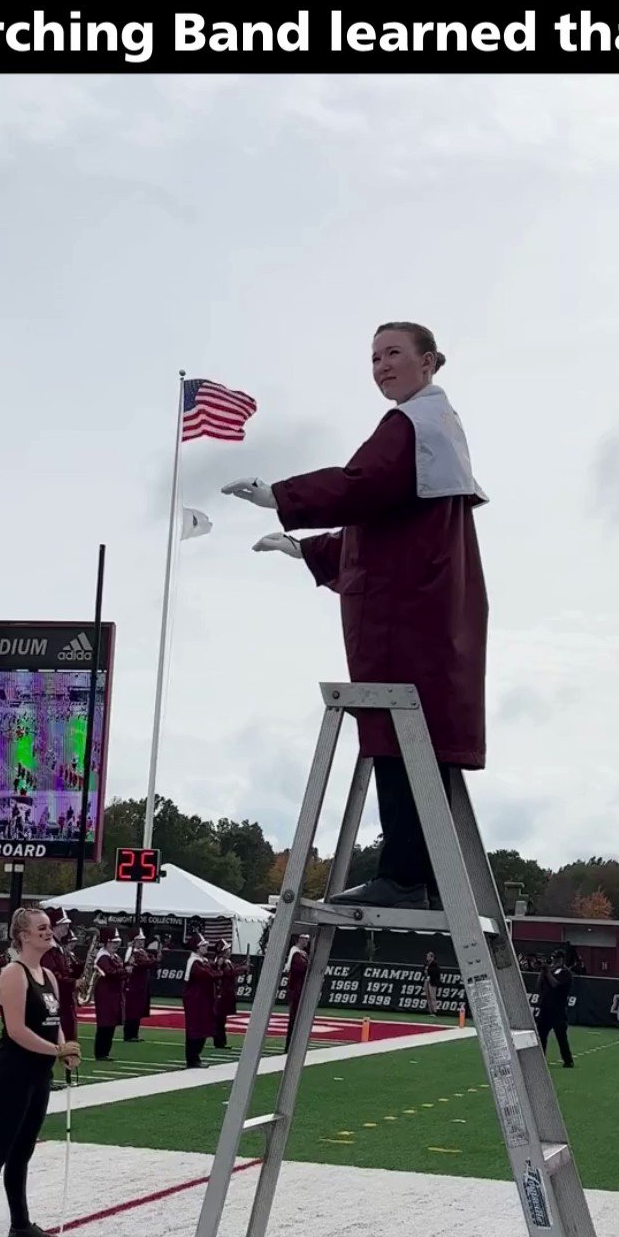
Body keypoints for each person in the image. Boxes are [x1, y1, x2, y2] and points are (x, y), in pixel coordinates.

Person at [222, 322, 487, 909]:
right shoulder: (437, 430)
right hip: (428, 604)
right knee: (421, 742)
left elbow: (360, 487)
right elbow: (390, 533)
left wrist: (281, 496)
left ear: (430, 361)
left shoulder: (410, 426)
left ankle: (403, 873)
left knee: (398, 732)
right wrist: (307, 550)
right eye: (374, 358)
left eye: (394, 353)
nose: (382, 366)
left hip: (405, 615)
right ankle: (427, 873)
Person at [0, 908, 80, 1237]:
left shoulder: (48, 974)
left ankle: (20, 1225)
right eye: (42, 928)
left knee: (23, 1150)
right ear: (23, 936)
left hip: (39, 1074)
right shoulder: (13, 974)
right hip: (12, 1075)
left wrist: (65, 1049)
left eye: (49, 927)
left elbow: (53, 1021)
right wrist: (56, 1048)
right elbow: (16, 1031)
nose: (49, 932)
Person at [43, 908, 83, 1045]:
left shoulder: (58, 947)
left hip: (64, 997)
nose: (67, 927)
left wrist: (83, 967)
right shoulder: (49, 948)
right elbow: (51, 975)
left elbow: (65, 970)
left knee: (68, 1033)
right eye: (63, 924)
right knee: (58, 1036)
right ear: (54, 926)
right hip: (55, 998)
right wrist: (73, 983)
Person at [182, 933, 218, 1069]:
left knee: (202, 1028)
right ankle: (192, 1058)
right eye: (203, 945)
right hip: (195, 1001)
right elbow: (206, 975)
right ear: (197, 948)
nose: (206, 947)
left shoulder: (203, 961)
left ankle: (196, 1056)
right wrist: (218, 972)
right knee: (195, 1029)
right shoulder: (195, 962)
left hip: (203, 1000)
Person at [535, 950, 574, 1067]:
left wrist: (547, 973)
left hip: (558, 1009)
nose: (554, 961)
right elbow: (538, 986)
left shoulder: (566, 973)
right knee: (541, 1035)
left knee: (561, 1036)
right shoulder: (550, 971)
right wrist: (543, 973)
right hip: (545, 1008)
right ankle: (540, 1059)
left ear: (562, 959)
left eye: (556, 959)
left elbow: (555, 984)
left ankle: (568, 1060)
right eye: (553, 959)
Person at [91, 927, 124, 1062]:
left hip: (113, 994)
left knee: (110, 1024)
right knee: (104, 1024)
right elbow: (110, 973)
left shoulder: (113, 957)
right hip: (105, 994)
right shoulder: (103, 957)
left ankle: (105, 1052)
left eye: (117, 942)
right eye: (113, 942)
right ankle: (100, 1053)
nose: (116, 945)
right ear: (106, 943)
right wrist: (124, 971)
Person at [122, 935, 160, 1043]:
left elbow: (149, 961)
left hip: (142, 985)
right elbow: (139, 964)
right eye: (139, 940)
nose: (141, 942)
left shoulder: (142, 952)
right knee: (132, 1010)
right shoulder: (132, 952)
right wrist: (152, 960)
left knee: (138, 1010)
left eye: (143, 940)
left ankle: (135, 1033)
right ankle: (129, 1034)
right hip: (133, 985)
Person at [210, 940, 246, 1050]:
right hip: (221, 994)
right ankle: (219, 1042)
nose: (229, 950)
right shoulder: (221, 962)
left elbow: (234, 969)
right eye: (227, 949)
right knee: (219, 1019)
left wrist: (243, 967)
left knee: (222, 1019)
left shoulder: (227, 961)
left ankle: (221, 1041)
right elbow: (229, 973)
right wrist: (243, 968)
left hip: (226, 994)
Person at [284, 935, 310, 1053]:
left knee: (297, 1018)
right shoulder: (296, 954)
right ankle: (289, 1046)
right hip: (295, 990)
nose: (307, 942)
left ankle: (294, 1044)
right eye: (305, 939)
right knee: (294, 1018)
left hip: (298, 989)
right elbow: (302, 968)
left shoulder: (301, 954)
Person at [424, 950, 442, 1016]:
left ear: (432, 957)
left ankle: (435, 1011)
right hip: (427, 981)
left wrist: (428, 972)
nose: (427, 958)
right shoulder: (426, 964)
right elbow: (423, 970)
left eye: (428, 956)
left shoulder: (435, 964)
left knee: (432, 997)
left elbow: (435, 973)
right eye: (427, 956)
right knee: (428, 996)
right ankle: (430, 1011)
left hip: (432, 981)